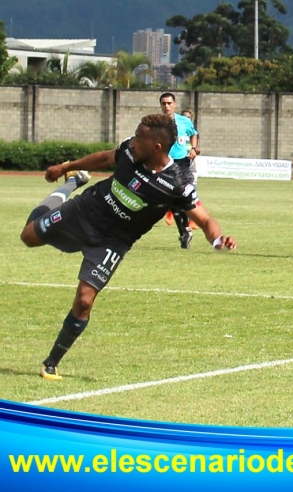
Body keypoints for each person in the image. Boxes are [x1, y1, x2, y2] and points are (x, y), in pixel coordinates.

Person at [20, 114, 237, 380]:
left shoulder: (177, 185)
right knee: (28, 236)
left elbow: (204, 220)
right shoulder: (129, 151)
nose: (132, 142)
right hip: (85, 211)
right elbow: (102, 159)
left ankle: (51, 363)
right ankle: (71, 185)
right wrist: (67, 168)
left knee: (85, 299)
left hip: (112, 242)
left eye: (138, 138)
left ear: (156, 146)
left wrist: (217, 239)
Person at [159, 93, 201, 248]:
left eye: (169, 103)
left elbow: (194, 134)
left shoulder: (184, 121)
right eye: (164, 103)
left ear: (174, 104)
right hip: (164, 164)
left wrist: (194, 149)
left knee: (183, 196)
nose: (166, 106)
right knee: (171, 201)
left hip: (182, 163)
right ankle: (185, 232)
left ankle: (185, 231)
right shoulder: (158, 123)